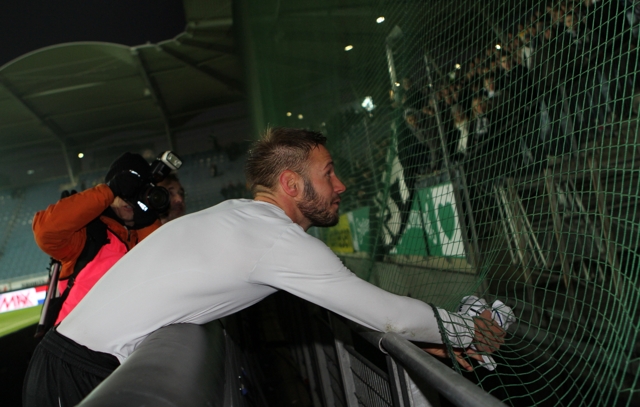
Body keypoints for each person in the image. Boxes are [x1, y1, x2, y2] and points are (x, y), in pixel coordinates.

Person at [23, 128, 505, 407]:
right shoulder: (273, 237)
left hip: (75, 364)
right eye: (329, 173)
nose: (340, 185)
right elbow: (389, 319)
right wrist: (466, 329)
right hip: (79, 375)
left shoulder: (242, 217)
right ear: (292, 185)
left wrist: (440, 335)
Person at [32, 153, 162, 327]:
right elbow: (45, 233)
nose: (129, 198)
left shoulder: (147, 232)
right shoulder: (88, 232)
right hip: (75, 343)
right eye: (125, 188)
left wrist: (148, 222)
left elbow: (161, 276)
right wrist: (109, 191)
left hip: (127, 342)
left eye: (137, 191)